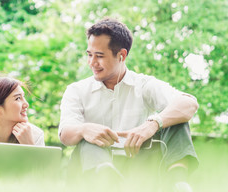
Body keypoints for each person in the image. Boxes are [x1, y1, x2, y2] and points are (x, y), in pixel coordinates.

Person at [59, 18, 199, 191]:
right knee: (87, 137)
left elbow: (189, 103)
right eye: (89, 54)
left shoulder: (144, 84)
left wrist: (153, 123)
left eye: (100, 56)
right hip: (93, 171)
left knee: (175, 117)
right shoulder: (76, 90)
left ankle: (177, 183)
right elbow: (65, 134)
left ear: (121, 55)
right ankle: (107, 179)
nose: (92, 62)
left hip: (138, 164)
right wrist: (85, 129)